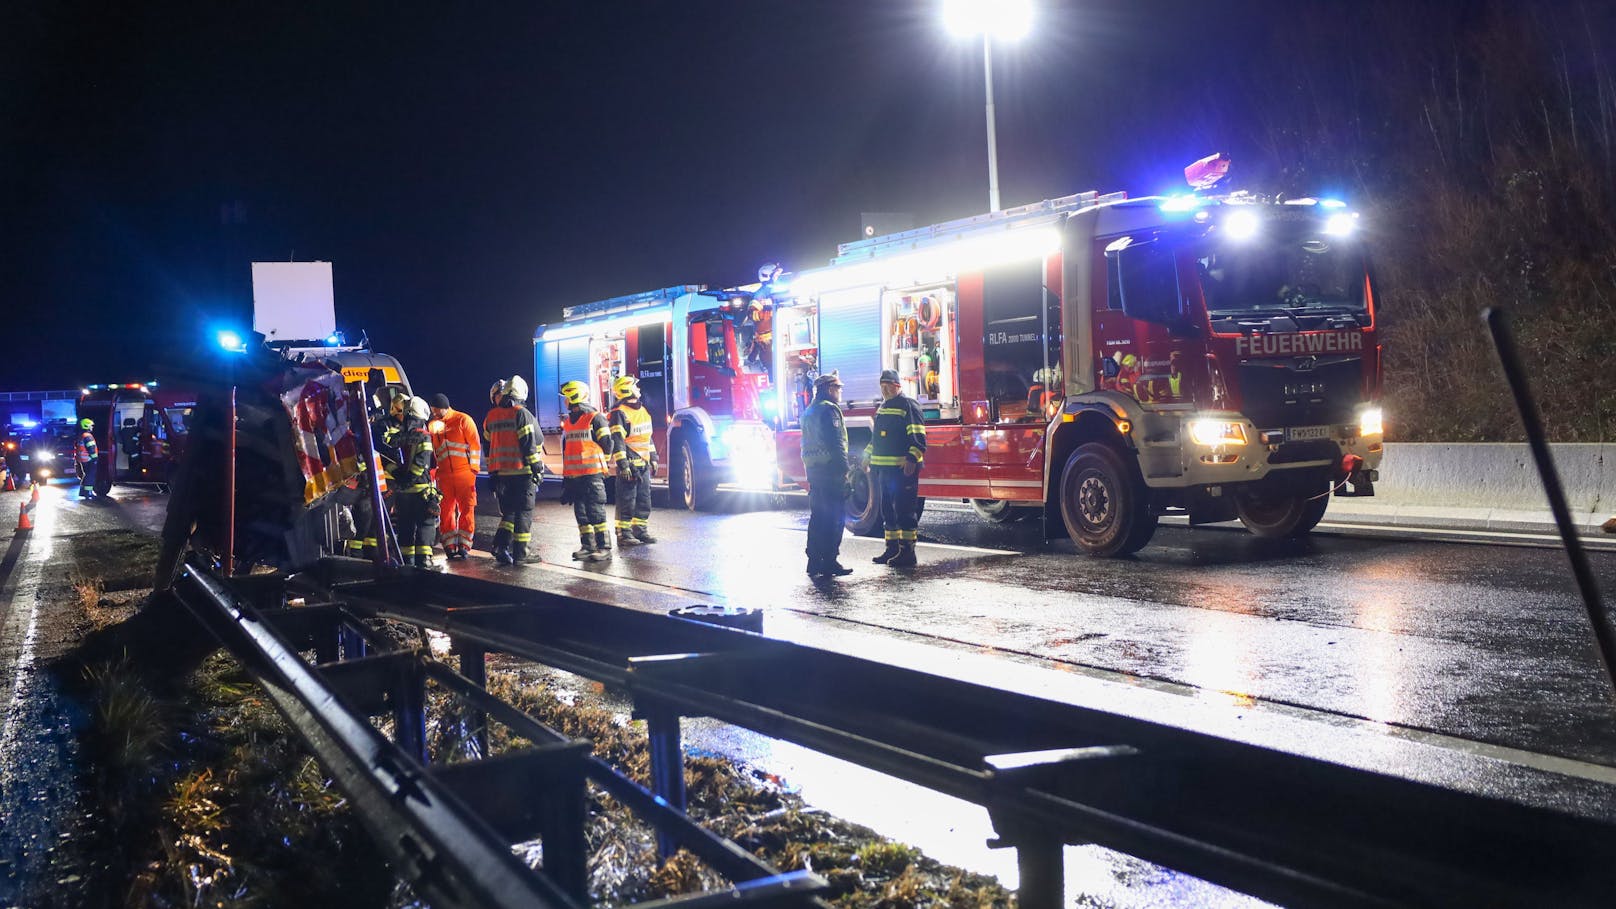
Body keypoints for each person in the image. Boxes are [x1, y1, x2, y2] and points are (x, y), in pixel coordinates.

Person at [866, 369, 926, 568]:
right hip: (885, 470)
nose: (884, 390)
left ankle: (907, 552)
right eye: (882, 386)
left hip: (902, 470)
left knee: (904, 511)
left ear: (897, 386)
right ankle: (892, 548)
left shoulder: (908, 405)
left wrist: (912, 459)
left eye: (888, 386)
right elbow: (876, 438)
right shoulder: (883, 407)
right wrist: (866, 457)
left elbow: (918, 437)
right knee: (887, 511)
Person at [483, 376, 544, 565]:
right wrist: (537, 468)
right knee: (524, 512)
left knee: (509, 513)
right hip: (521, 472)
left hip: (501, 473)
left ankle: (500, 546)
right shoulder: (521, 413)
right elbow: (529, 443)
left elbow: (488, 443)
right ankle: (521, 553)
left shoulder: (491, 416)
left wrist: (492, 472)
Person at [800, 371, 852, 577]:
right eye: (837, 388)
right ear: (828, 390)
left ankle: (814, 561)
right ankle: (830, 560)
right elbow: (836, 443)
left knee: (818, 517)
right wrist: (844, 470)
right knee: (835, 517)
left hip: (814, 471)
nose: (839, 392)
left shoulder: (809, 412)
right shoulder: (829, 411)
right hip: (831, 470)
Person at [559, 379, 616, 562]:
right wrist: (567, 479)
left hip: (592, 475)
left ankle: (604, 547)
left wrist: (602, 466)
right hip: (575, 476)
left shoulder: (595, 418)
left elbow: (607, 445)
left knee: (595, 511)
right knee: (581, 512)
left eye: (566, 397)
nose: (564, 401)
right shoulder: (569, 422)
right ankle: (587, 546)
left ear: (573, 397)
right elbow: (568, 450)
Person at [388, 396, 441, 570]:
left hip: (403, 494)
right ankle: (424, 561)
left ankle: (406, 563)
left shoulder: (398, 438)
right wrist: (410, 479)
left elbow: (388, 461)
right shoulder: (424, 437)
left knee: (405, 526)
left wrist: (400, 479)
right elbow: (422, 464)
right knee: (426, 524)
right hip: (420, 492)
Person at [428, 393, 480, 560]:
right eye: (432, 411)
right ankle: (449, 545)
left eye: (436, 411)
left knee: (467, 509)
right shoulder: (433, 425)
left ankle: (464, 545)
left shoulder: (463, 420)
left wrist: (473, 470)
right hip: (444, 475)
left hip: (465, 473)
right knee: (446, 511)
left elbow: (475, 444)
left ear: (444, 408)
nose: (434, 414)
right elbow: (432, 450)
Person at [608, 375, 658, 546]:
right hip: (629, 465)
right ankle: (624, 534)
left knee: (644, 500)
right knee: (626, 500)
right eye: (635, 387)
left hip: (643, 464)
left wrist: (653, 457)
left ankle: (640, 531)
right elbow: (618, 440)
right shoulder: (619, 413)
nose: (639, 389)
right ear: (626, 389)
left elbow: (646, 437)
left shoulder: (642, 410)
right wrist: (623, 464)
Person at [75, 417, 99, 499]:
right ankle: (88, 492)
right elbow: (91, 448)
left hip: (82, 459)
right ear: (86, 426)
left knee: (86, 475)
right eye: (91, 426)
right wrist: (95, 458)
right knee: (90, 475)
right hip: (89, 459)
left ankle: (82, 491)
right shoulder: (88, 436)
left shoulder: (81, 436)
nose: (92, 427)